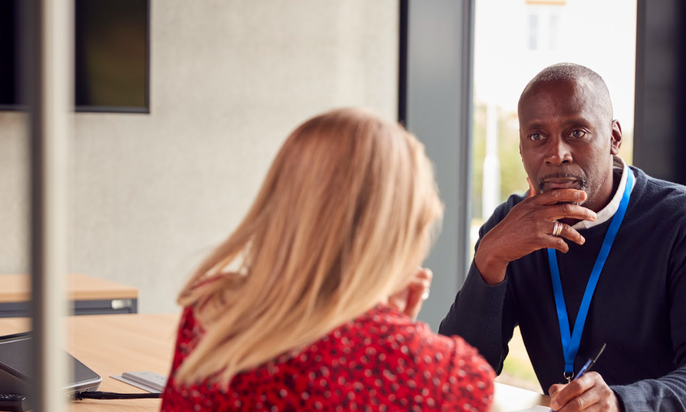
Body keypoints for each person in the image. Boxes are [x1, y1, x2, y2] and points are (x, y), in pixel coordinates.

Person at [439, 63, 686, 412]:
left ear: (614, 138)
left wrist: (622, 404)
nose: (556, 153)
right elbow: (454, 377)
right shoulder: (510, 228)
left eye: (576, 132)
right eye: (537, 136)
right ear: (521, 150)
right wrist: (490, 259)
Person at [160, 108, 495, 411]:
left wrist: (391, 330)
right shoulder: (450, 377)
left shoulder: (210, 312)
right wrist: (400, 338)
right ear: (405, 229)